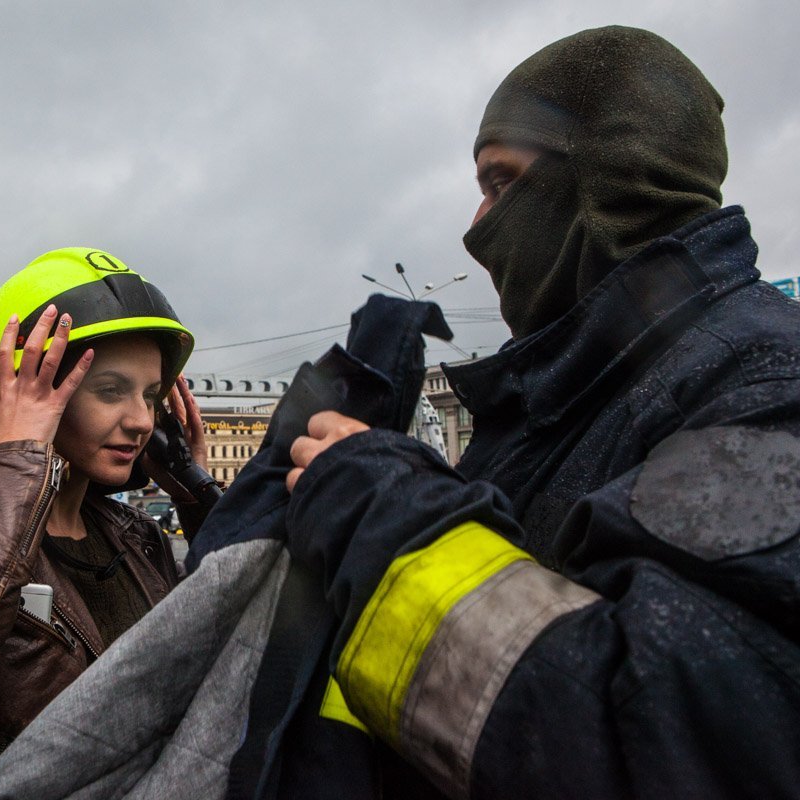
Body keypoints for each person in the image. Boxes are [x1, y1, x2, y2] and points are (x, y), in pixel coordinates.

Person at [283, 26, 800, 798]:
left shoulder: (763, 379)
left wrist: (379, 515)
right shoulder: (579, 395)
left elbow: (679, 747)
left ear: (611, 172)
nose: (476, 225)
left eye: (500, 181)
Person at [0, 247, 211, 800]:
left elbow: (222, 650)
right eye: (111, 391)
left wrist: (198, 497)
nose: (143, 421)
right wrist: (20, 455)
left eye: (150, 397)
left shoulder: (135, 534)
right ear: (20, 392)